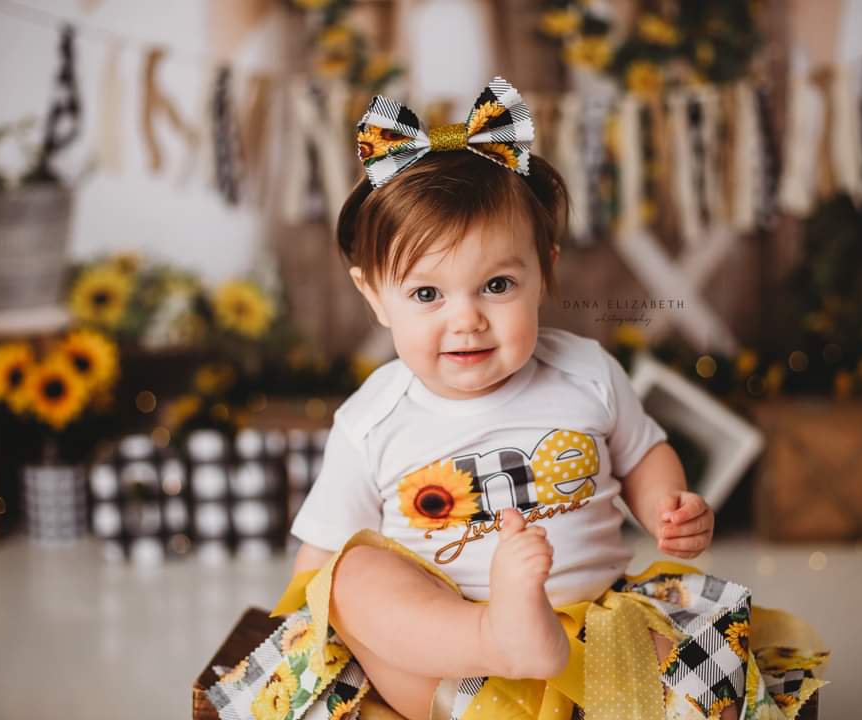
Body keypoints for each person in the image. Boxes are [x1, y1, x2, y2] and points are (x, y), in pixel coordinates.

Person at [287, 78, 719, 720]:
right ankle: (499, 637)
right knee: (350, 581)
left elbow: (644, 454)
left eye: (496, 284)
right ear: (375, 295)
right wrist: (303, 618)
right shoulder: (373, 420)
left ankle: (536, 650)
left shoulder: (585, 373)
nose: (466, 320)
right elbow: (318, 556)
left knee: (685, 650)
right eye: (427, 295)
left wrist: (668, 506)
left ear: (544, 270)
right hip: (454, 665)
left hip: (594, 640)